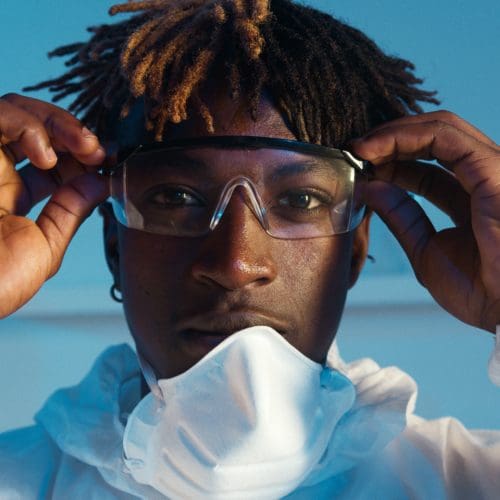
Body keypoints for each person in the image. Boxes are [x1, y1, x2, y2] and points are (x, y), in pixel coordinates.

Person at [0, 0, 499, 498]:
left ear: (352, 251)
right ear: (115, 244)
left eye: (301, 198)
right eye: (176, 197)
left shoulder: (467, 480)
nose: (236, 263)